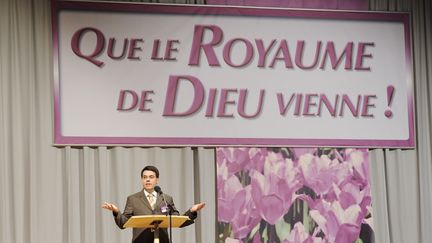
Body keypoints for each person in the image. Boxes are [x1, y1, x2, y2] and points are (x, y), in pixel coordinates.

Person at [102, 165, 205, 243]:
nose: (148, 179)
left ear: (157, 180)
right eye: (145, 177)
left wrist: (191, 211)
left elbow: (176, 220)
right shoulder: (133, 199)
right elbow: (123, 223)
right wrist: (116, 212)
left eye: (151, 177)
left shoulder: (166, 198)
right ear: (142, 179)